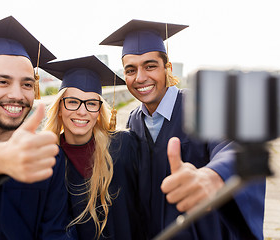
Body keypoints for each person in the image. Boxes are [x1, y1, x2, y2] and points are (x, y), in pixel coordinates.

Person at [100, 19, 266, 239]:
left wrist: (213, 176)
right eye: (131, 70)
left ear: (167, 68)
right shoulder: (134, 120)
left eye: (150, 66)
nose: (140, 78)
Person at [0, 16, 69, 239]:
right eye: (2, 82)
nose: (17, 95)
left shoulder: (47, 159)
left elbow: (55, 232)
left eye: (27, 84)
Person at [42, 55, 145, 240]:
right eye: (73, 102)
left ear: (99, 110)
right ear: (59, 108)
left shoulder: (123, 146)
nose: (82, 111)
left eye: (91, 103)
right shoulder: (48, 159)